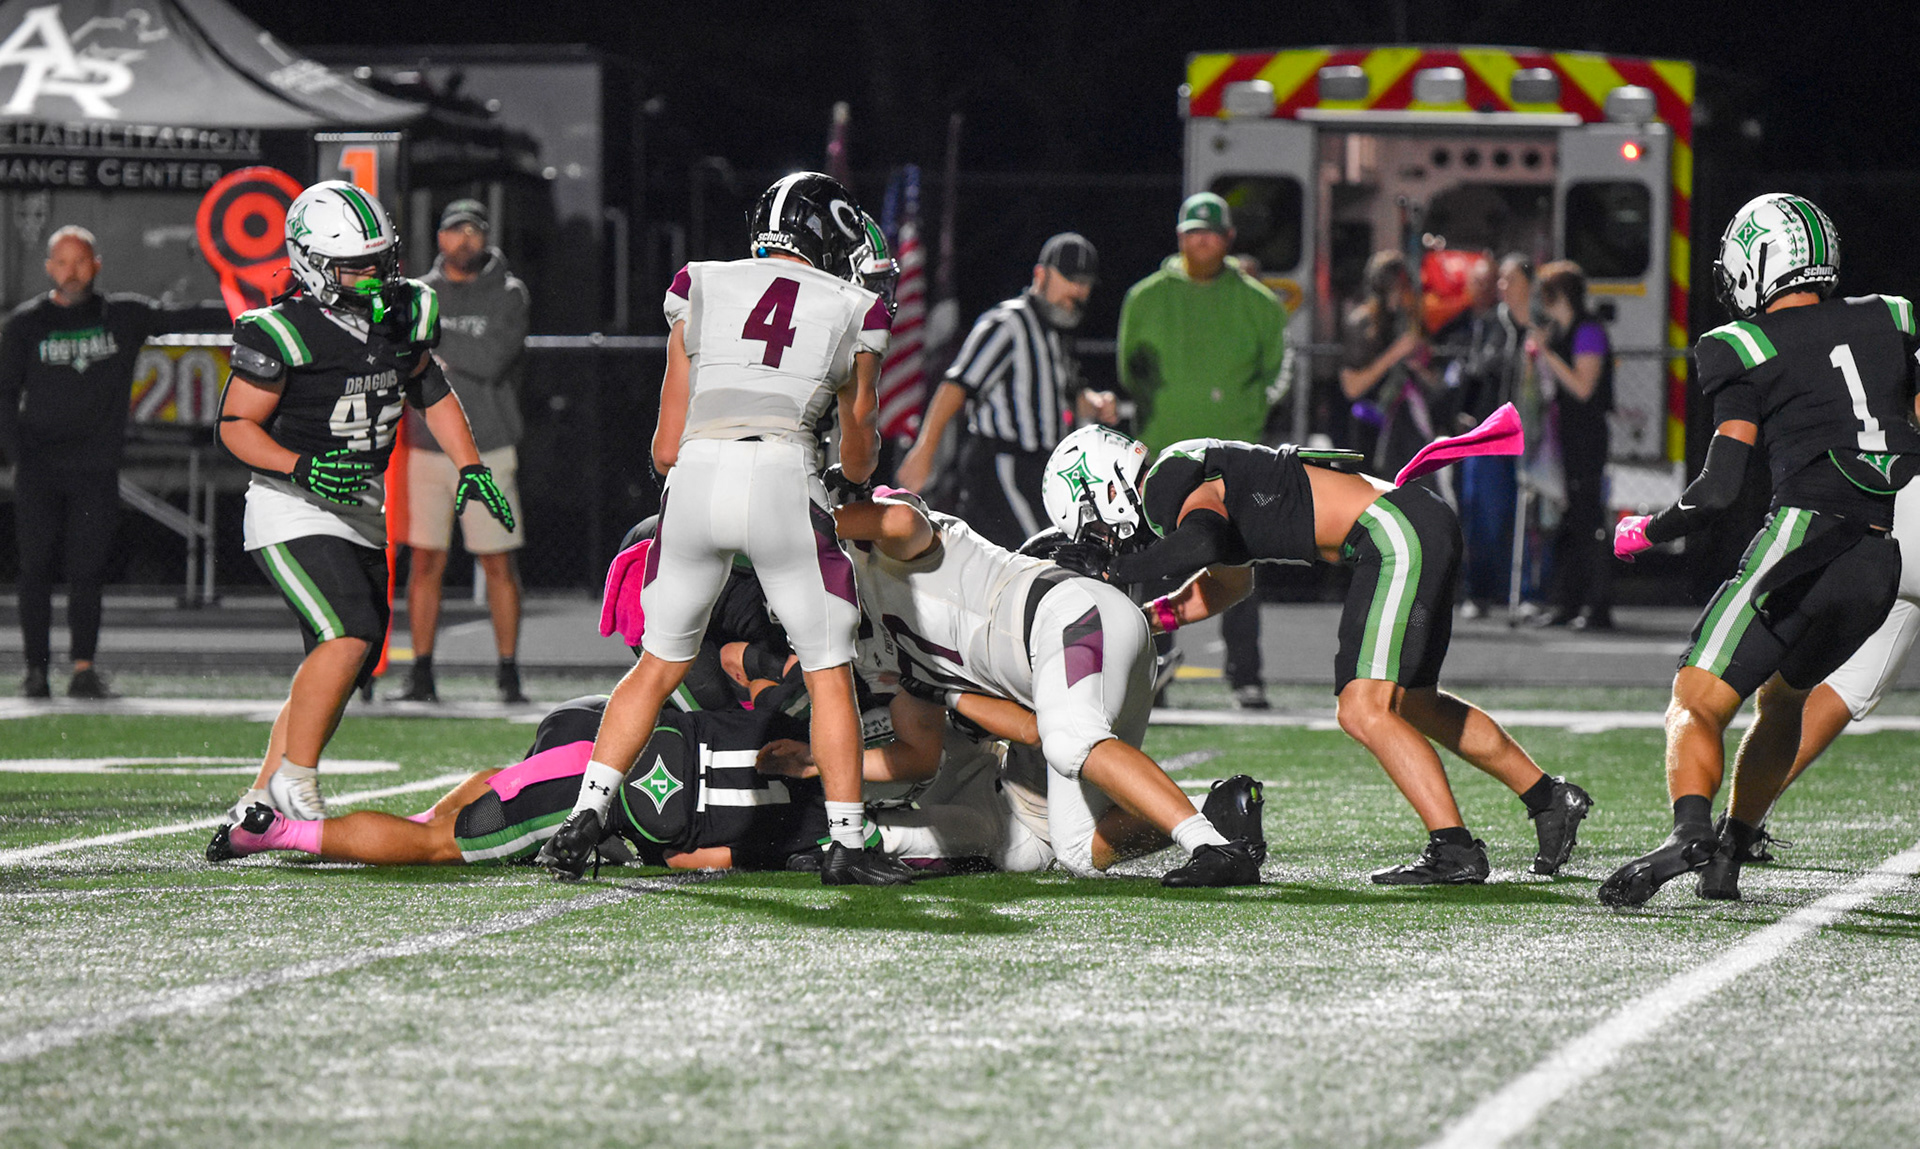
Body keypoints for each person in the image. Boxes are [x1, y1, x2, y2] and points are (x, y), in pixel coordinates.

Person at [536, 172, 909, 886]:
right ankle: (847, 842)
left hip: (698, 475)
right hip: (783, 476)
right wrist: (844, 458)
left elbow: (664, 446)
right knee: (829, 670)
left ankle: (586, 813)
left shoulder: (698, 283)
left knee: (657, 665)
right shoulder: (856, 306)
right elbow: (860, 452)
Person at [1044, 424, 1591, 884]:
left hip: (1393, 534)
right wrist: (1150, 618)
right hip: (1413, 525)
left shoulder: (1167, 481)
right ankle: (1548, 798)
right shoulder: (1191, 481)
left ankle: (1455, 849)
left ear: (1106, 485)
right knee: (1416, 704)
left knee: (1363, 709)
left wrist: (1116, 571)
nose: (1106, 539)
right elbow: (1228, 583)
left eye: (1094, 522)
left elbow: (1203, 543)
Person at [1604, 194, 1920, 906]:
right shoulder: (1892, 315)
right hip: (1879, 556)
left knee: (1696, 699)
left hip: (1804, 538)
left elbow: (1718, 490)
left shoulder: (1740, 345)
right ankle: (1730, 854)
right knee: (1783, 701)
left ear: (1756, 265)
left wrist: (1647, 530)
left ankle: (1690, 831)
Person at [215, 181, 512, 823]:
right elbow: (235, 425)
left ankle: (260, 798)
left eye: (379, 261)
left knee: (345, 658)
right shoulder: (283, 331)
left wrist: (470, 464)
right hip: (293, 502)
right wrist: (300, 464)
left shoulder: (405, 312)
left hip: (362, 505)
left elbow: (429, 389)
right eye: (354, 266)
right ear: (311, 263)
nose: (373, 277)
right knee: (348, 635)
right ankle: (296, 780)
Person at [835, 486, 1264, 886]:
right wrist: (824, 764)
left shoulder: (879, 552)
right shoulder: (891, 644)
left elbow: (900, 520)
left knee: (1071, 740)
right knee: (1075, 847)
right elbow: (924, 754)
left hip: (1064, 614)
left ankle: (1212, 848)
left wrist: (816, 522)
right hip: (1083, 631)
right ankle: (1215, 814)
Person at [0, 226, 229, 698]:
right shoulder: (25, 324)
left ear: (96, 264)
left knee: (87, 571)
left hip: (95, 468)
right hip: (40, 468)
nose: (72, 272)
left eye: (80, 261)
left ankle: (83, 670)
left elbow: (186, 317)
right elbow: (4, 394)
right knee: (35, 570)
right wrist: (15, 456)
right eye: (62, 262)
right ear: (48, 268)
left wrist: (254, 304)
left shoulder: (122, 315)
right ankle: (36, 671)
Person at [1116, 192, 1289, 708]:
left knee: (1238, 565)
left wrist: (1247, 414)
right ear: (1179, 237)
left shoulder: (1259, 303)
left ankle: (1246, 675)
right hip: (1166, 455)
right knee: (1159, 566)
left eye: (1211, 233)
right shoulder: (1145, 297)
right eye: (1194, 232)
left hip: (1237, 460)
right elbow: (1129, 371)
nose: (1203, 241)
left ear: (1229, 238)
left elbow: (1277, 372)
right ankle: (1152, 671)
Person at [893, 232, 1113, 548]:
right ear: (1041, 275)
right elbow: (958, 385)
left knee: (1031, 557)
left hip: (1042, 469)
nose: (1078, 291)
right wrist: (924, 450)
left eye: (1085, 283)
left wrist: (1097, 402)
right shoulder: (1008, 323)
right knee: (1044, 554)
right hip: (1004, 465)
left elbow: (1065, 395)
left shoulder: (1055, 333)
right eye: (1070, 279)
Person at [399, 199, 534, 704]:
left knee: (498, 563)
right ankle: (421, 674)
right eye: (455, 230)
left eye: (473, 231)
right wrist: (437, 352)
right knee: (424, 562)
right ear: (440, 237)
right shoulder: (420, 293)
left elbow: (492, 358)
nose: (465, 240)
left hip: (489, 444)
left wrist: (434, 345)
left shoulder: (509, 292)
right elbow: (404, 355)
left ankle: (508, 673)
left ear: (486, 237)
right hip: (426, 446)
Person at [1437, 255, 1531, 616]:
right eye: (1499, 280)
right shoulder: (1491, 325)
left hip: (1531, 435)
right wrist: (1464, 414)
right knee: (1483, 513)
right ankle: (1478, 592)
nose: (1500, 287)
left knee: (1528, 516)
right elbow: (1473, 373)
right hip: (1490, 432)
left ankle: (1526, 593)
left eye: (1508, 280)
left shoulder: (1539, 326)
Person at [1529, 260, 1615, 630]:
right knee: (1567, 519)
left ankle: (1597, 605)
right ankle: (1567, 601)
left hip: (1586, 436)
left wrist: (1548, 355)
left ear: (1560, 295)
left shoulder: (1588, 330)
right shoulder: (1559, 331)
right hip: (1563, 434)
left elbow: (1583, 387)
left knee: (1587, 518)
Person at [1339, 250, 1438, 482]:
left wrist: (1418, 362)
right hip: (1368, 425)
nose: (1401, 296)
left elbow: (1434, 378)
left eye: (1404, 287)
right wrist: (1395, 353)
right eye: (1394, 288)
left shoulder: (1409, 322)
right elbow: (1351, 387)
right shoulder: (1362, 322)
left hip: (1405, 426)